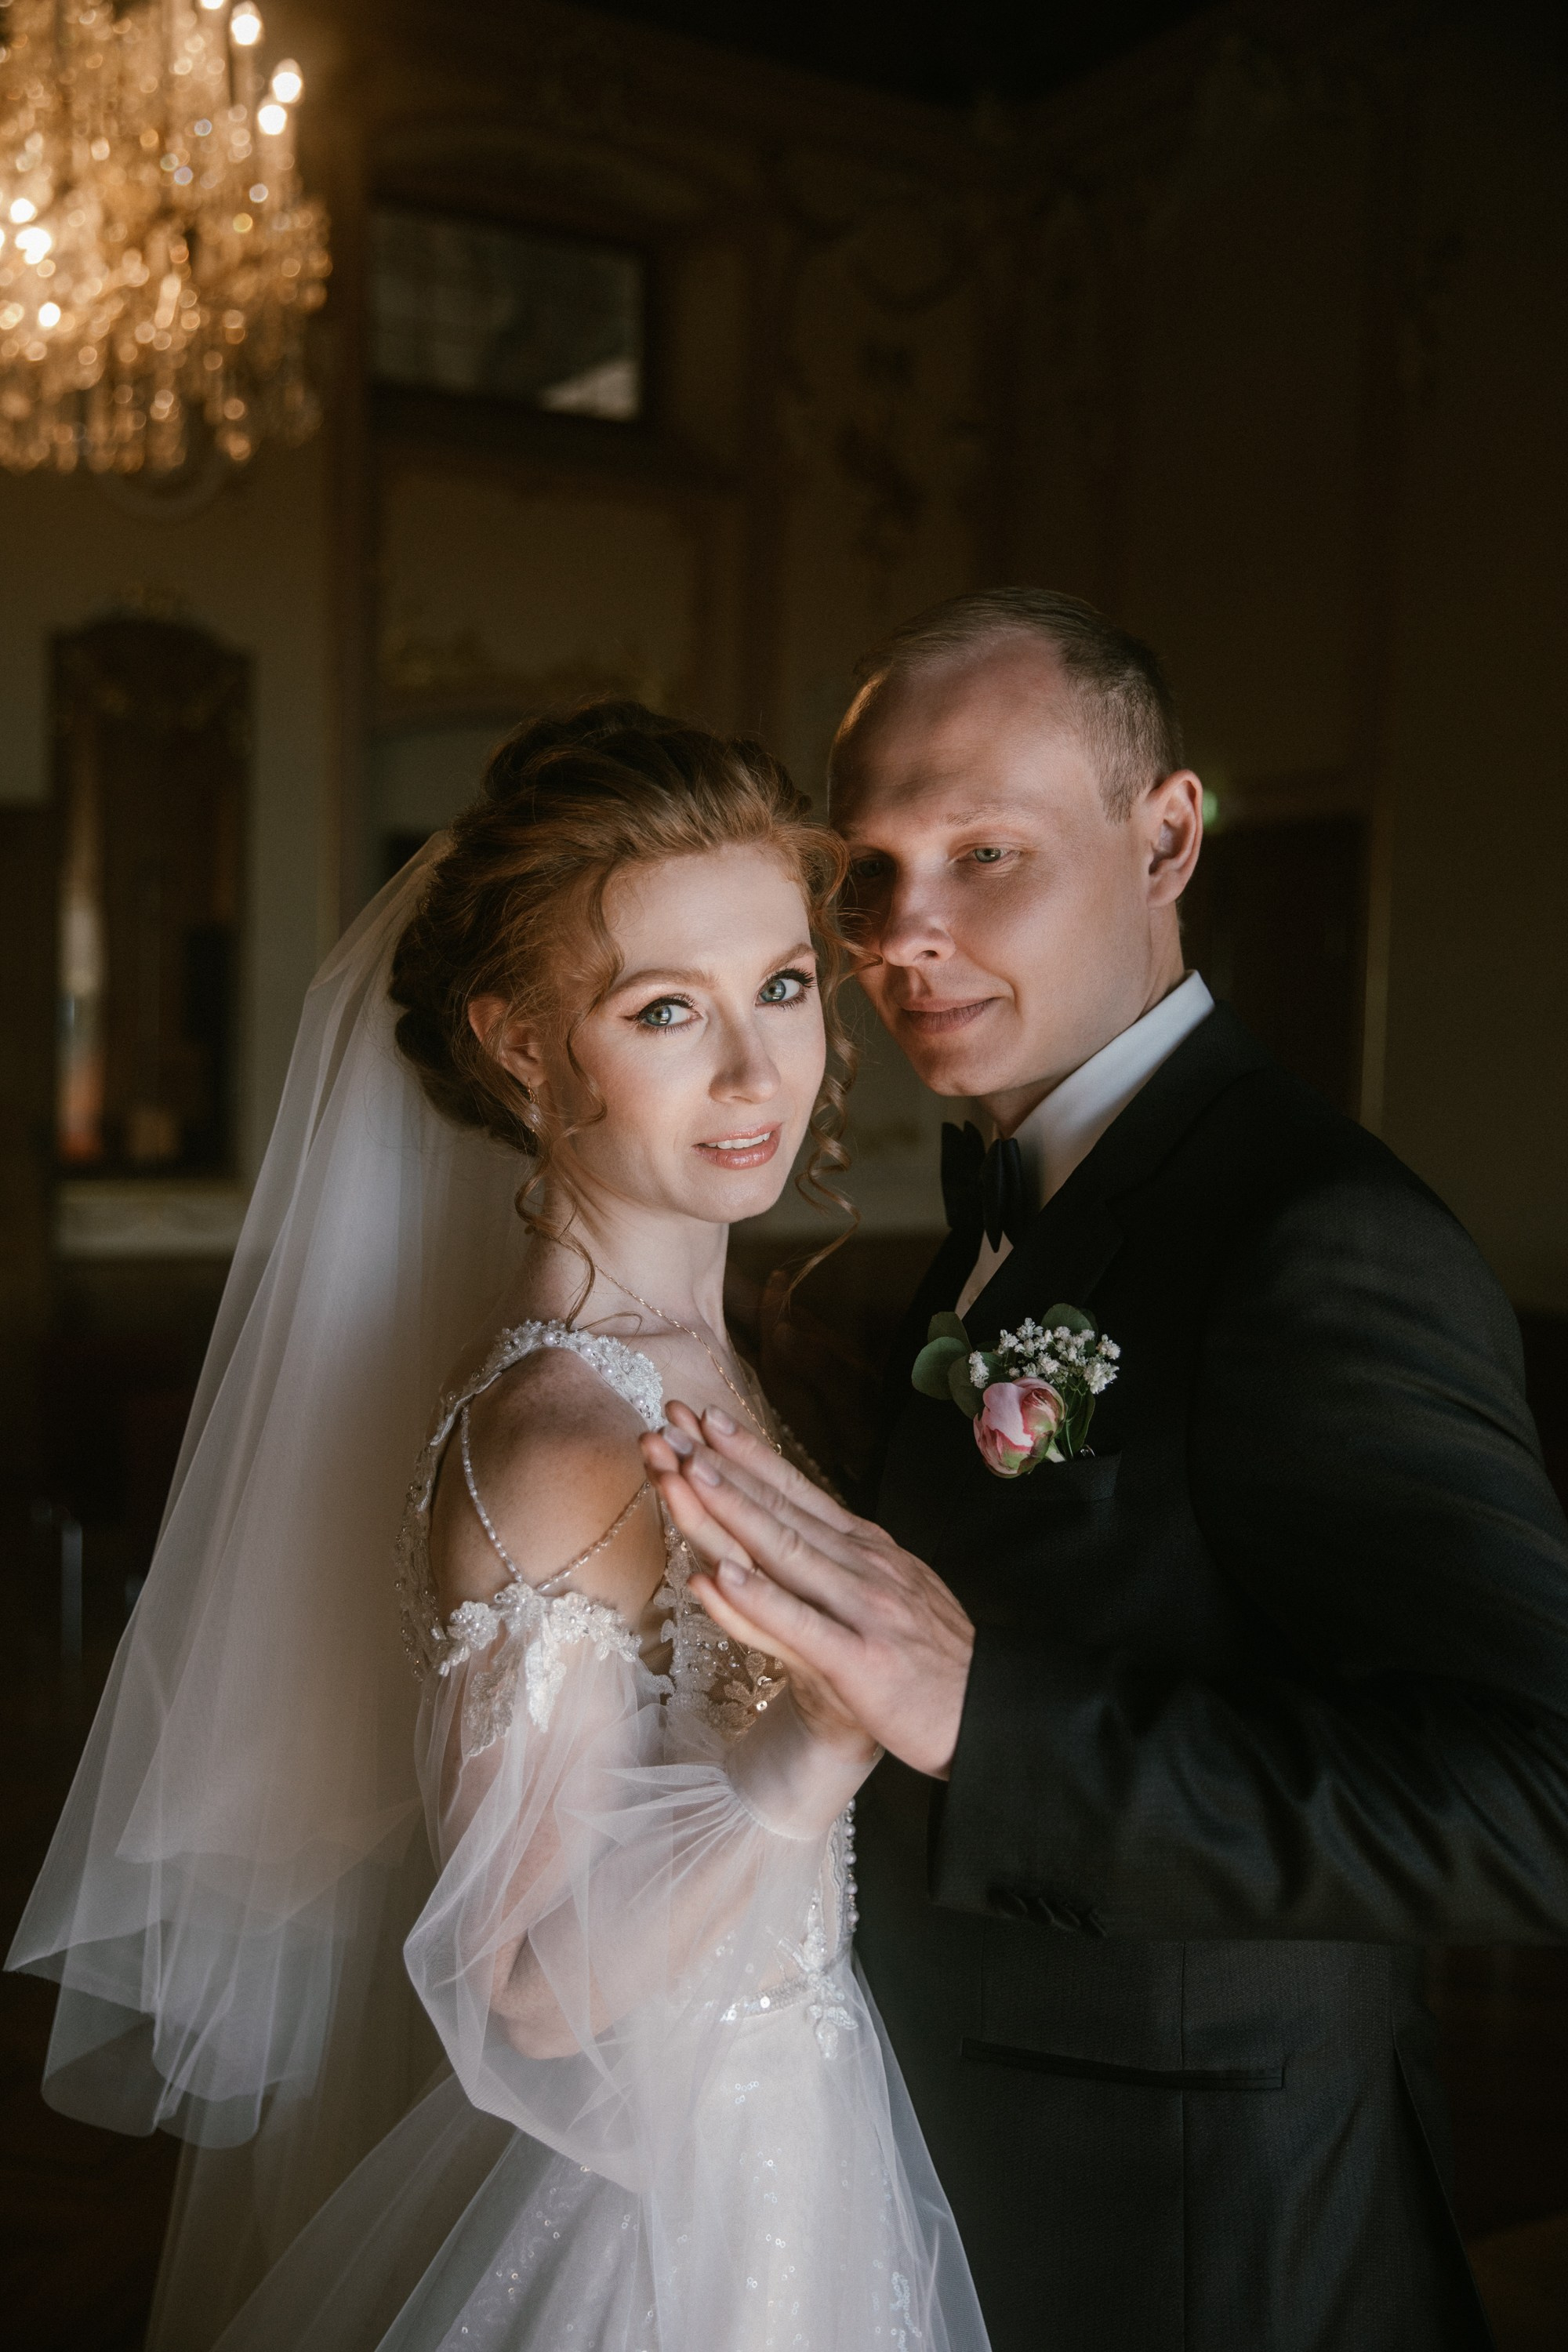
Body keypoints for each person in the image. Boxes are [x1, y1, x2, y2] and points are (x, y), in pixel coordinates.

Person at [644, 588, 1568, 2352]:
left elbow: (1535, 1799)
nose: (902, 931)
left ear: (1165, 835)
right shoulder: (1015, 1200)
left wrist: (985, 1716)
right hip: (976, 2167)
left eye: (985, 852)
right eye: (867, 870)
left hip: (1207, 2233)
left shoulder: (1320, 1237)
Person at [9, 704, 989, 2351]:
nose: (759, 1070)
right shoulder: (563, 1442)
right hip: (668, 2195)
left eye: (783, 984)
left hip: (788, 2116)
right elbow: (525, 1978)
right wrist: (812, 1751)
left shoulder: (698, 1359)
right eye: (667, 1010)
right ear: (525, 1046)